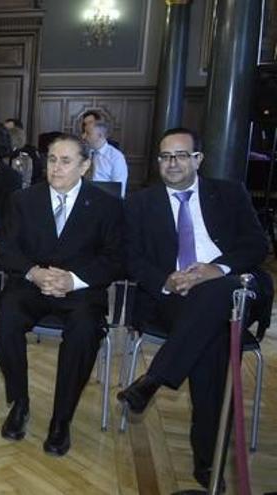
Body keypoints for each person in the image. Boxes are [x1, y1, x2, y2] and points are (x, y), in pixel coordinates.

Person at [118, 128, 268, 489]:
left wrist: (215, 270)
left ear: (198, 159)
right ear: (158, 162)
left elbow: (256, 246)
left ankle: (155, 378)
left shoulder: (229, 194)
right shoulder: (141, 203)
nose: (172, 163)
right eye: (165, 156)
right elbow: (131, 259)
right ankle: (208, 462)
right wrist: (167, 281)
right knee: (212, 343)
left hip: (235, 289)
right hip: (174, 298)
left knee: (215, 293)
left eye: (181, 155)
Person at [0, 134, 123, 457]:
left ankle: (61, 419)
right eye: (52, 159)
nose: (56, 168)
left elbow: (116, 259)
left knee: (84, 331)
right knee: (6, 316)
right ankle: (20, 403)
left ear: (85, 166)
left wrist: (73, 280)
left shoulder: (107, 206)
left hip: (80, 291)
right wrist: (35, 273)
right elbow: (6, 249)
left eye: (66, 161)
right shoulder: (23, 200)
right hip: (32, 285)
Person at [84, 121, 128, 197]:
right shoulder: (85, 152)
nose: (84, 136)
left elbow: (119, 189)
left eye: (88, 133)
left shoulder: (116, 157)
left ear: (100, 136)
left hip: (104, 198)